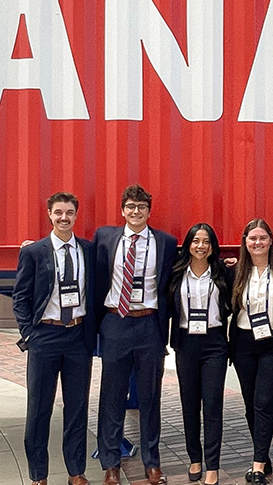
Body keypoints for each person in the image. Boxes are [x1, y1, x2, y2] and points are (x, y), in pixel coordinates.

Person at [93, 185, 177, 485]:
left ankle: (152, 463)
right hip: (115, 322)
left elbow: (180, 272)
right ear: (122, 210)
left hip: (149, 325)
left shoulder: (166, 242)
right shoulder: (105, 238)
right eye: (130, 206)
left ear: (149, 211)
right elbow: (83, 260)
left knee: (150, 398)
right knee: (111, 397)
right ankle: (111, 463)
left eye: (141, 206)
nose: (136, 211)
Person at [12, 192, 97, 485]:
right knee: (39, 410)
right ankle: (39, 475)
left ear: (76, 215)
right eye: (58, 212)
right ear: (49, 214)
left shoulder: (88, 250)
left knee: (77, 409)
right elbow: (20, 297)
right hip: (45, 337)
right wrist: (29, 333)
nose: (64, 218)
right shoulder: (34, 252)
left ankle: (76, 472)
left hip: (77, 337)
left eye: (69, 212)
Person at [230, 219, 273, 485]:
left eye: (262, 238)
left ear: (271, 240)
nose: (257, 243)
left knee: (264, 402)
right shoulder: (235, 272)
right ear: (245, 242)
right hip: (244, 344)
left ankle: (257, 466)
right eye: (252, 238)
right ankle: (263, 455)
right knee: (250, 405)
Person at [169, 223, 232, 485]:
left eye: (206, 241)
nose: (200, 246)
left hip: (214, 343)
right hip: (186, 343)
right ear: (188, 244)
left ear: (212, 246)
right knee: (190, 404)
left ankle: (212, 465)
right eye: (196, 241)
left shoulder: (222, 271)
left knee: (213, 405)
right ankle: (195, 458)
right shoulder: (175, 272)